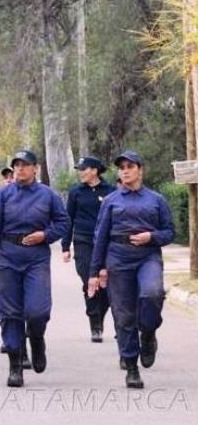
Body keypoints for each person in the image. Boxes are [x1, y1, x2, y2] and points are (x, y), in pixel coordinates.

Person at [0, 150, 69, 388]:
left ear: (35, 168)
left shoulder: (47, 195)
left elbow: (62, 223)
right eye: (17, 165)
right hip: (7, 255)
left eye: (25, 165)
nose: (20, 169)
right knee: (10, 313)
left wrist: (45, 235)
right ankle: (15, 364)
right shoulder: (3, 195)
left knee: (37, 311)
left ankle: (37, 339)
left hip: (36, 258)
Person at [88, 150, 174, 389]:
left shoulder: (156, 200)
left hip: (148, 257)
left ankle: (148, 333)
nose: (124, 170)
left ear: (140, 170)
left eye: (129, 166)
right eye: (121, 167)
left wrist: (152, 236)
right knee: (124, 315)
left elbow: (169, 233)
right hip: (118, 259)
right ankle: (132, 368)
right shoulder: (111, 201)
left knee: (152, 293)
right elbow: (100, 237)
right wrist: (95, 272)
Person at [62, 157, 115, 343]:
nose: (80, 172)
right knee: (88, 282)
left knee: (106, 284)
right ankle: (95, 323)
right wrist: (65, 246)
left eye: (84, 169)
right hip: (83, 242)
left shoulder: (111, 191)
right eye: (79, 169)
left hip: (107, 244)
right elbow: (68, 220)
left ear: (95, 170)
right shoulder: (76, 192)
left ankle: (99, 315)